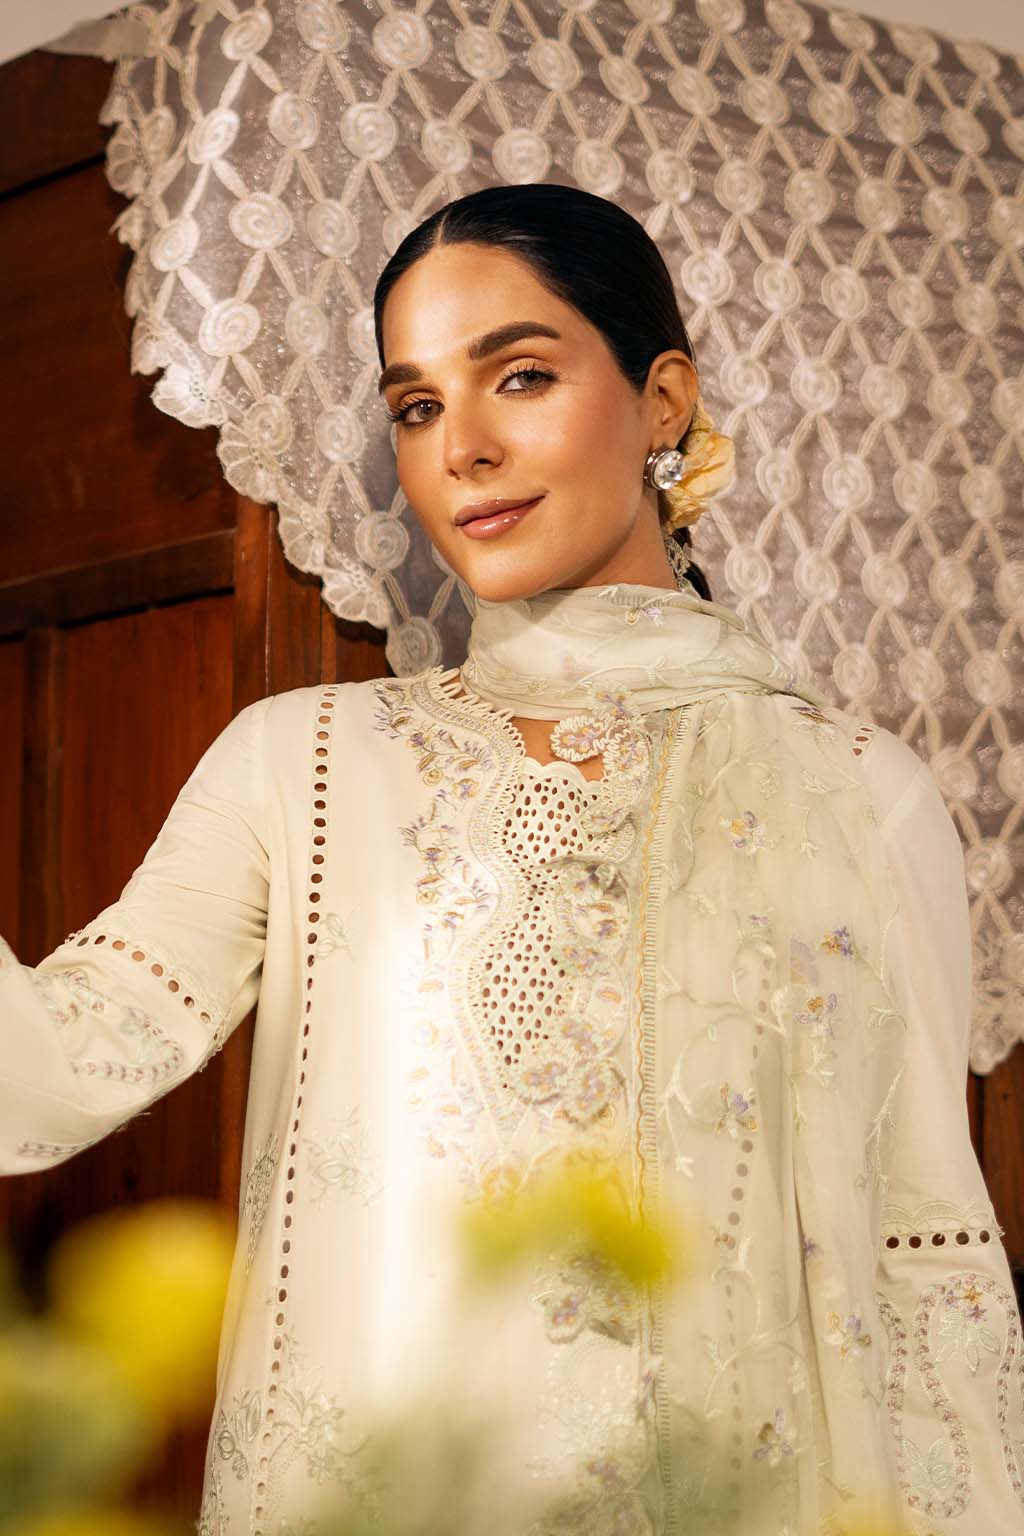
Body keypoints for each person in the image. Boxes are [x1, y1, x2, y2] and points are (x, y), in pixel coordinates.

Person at [1, 182, 1021, 1536]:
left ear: (664, 402)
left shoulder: (857, 796)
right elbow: (45, 1072)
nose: (463, 449)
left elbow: (923, 1260)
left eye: (521, 376)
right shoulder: (306, 765)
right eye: (417, 406)